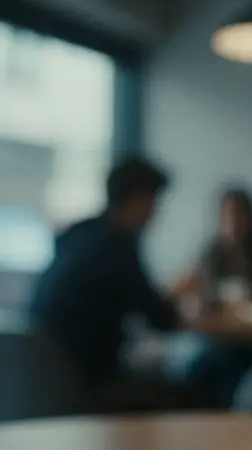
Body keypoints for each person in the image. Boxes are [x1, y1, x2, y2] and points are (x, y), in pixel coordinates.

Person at [28, 158, 178, 388]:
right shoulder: (117, 247)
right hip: (85, 379)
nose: (155, 213)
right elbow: (160, 320)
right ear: (138, 200)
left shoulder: (79, 234)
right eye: (153, 202)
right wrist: (176, 293)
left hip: (40, 374)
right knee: (188, 391)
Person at [172, 187, 252, 407]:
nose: (233, 222)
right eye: (226, 215)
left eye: (239, 214)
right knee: (201, 371)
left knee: (240, 376)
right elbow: (179, 289)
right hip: (218, 341)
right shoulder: (209, 255)